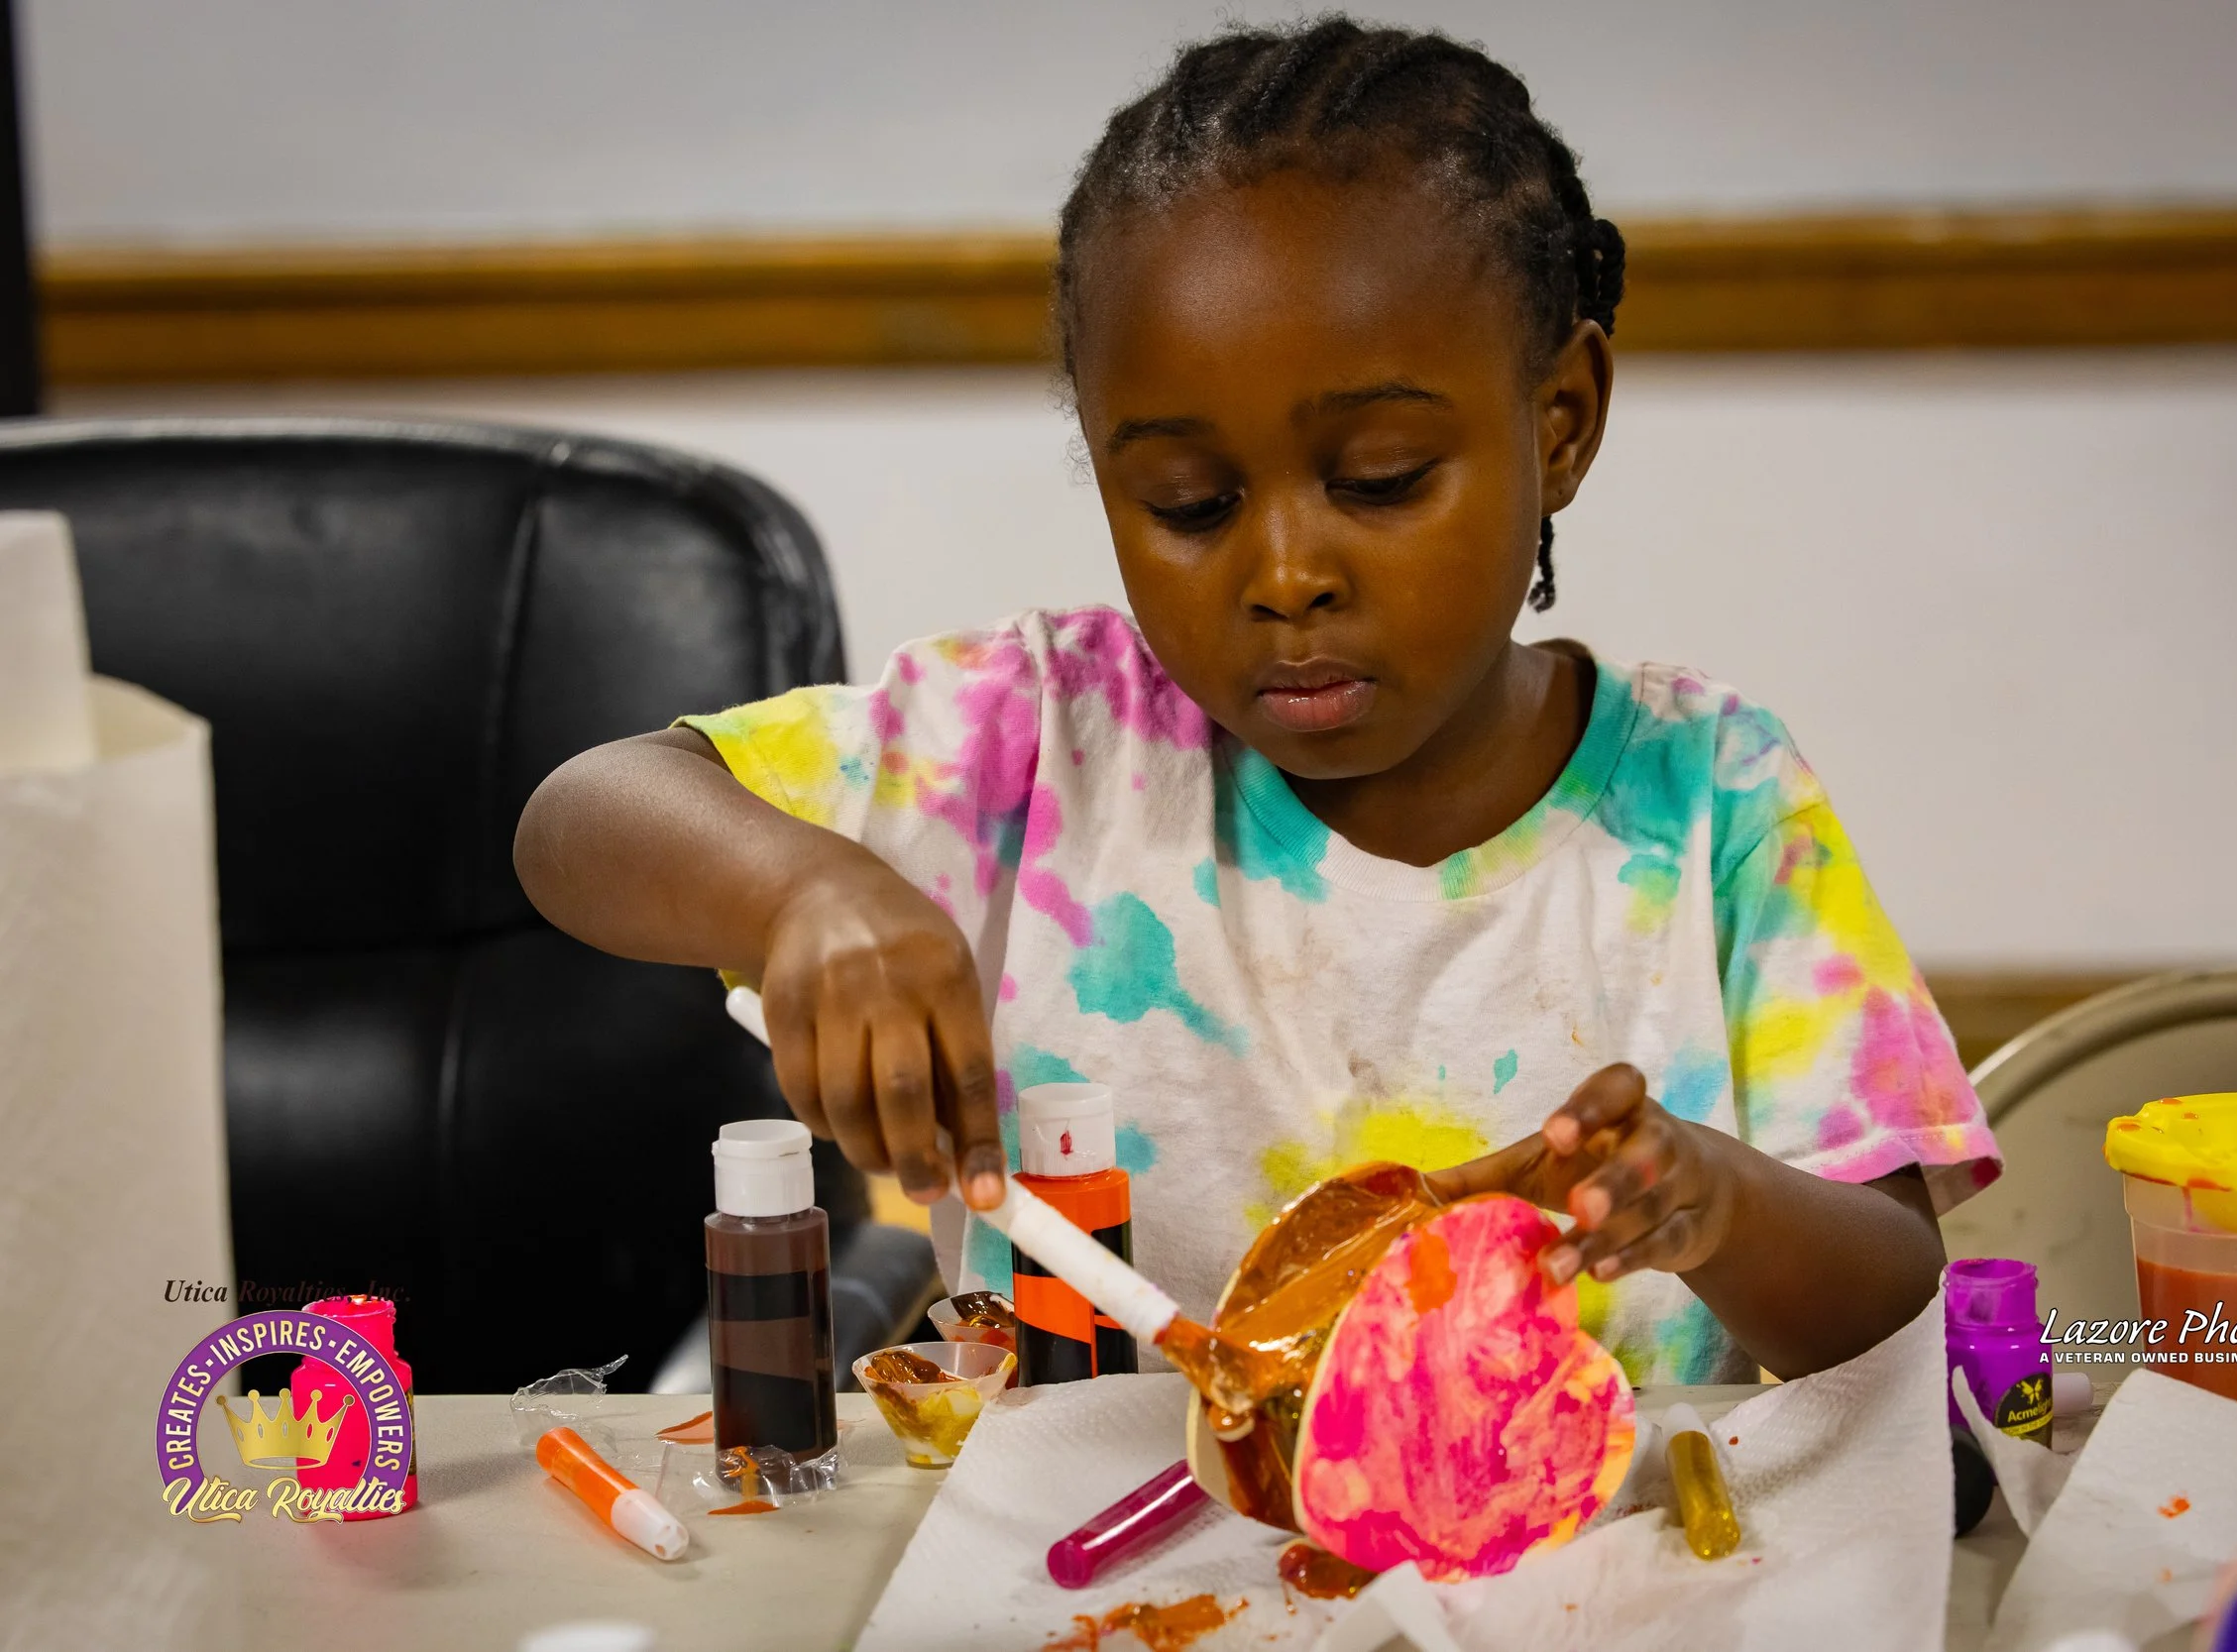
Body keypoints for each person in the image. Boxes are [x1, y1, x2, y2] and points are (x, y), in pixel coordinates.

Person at [514, 16, 1998, 1385]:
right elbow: (579, 815)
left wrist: (1721, 1207)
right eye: (1190, 500)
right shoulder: (1045, 745)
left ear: (1562, 422)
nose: (1286, 572)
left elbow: (1897, 1303)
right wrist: (800, 891)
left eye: (1379, 481)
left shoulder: (1712, 796)